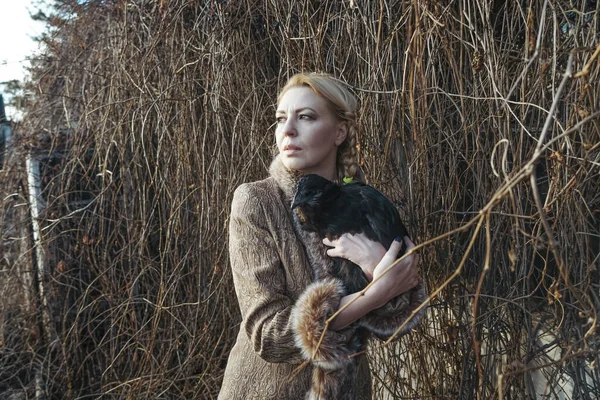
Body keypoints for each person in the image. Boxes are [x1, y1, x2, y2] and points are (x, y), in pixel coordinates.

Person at [218, 73, 424, 400]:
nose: (287, 130)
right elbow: (267, 336)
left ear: (339, 132)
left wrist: (374, 266)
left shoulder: (367, 204)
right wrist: (372, 293)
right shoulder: (257, 202)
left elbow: (397, 317)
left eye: (306, 117)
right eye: (281, 118)